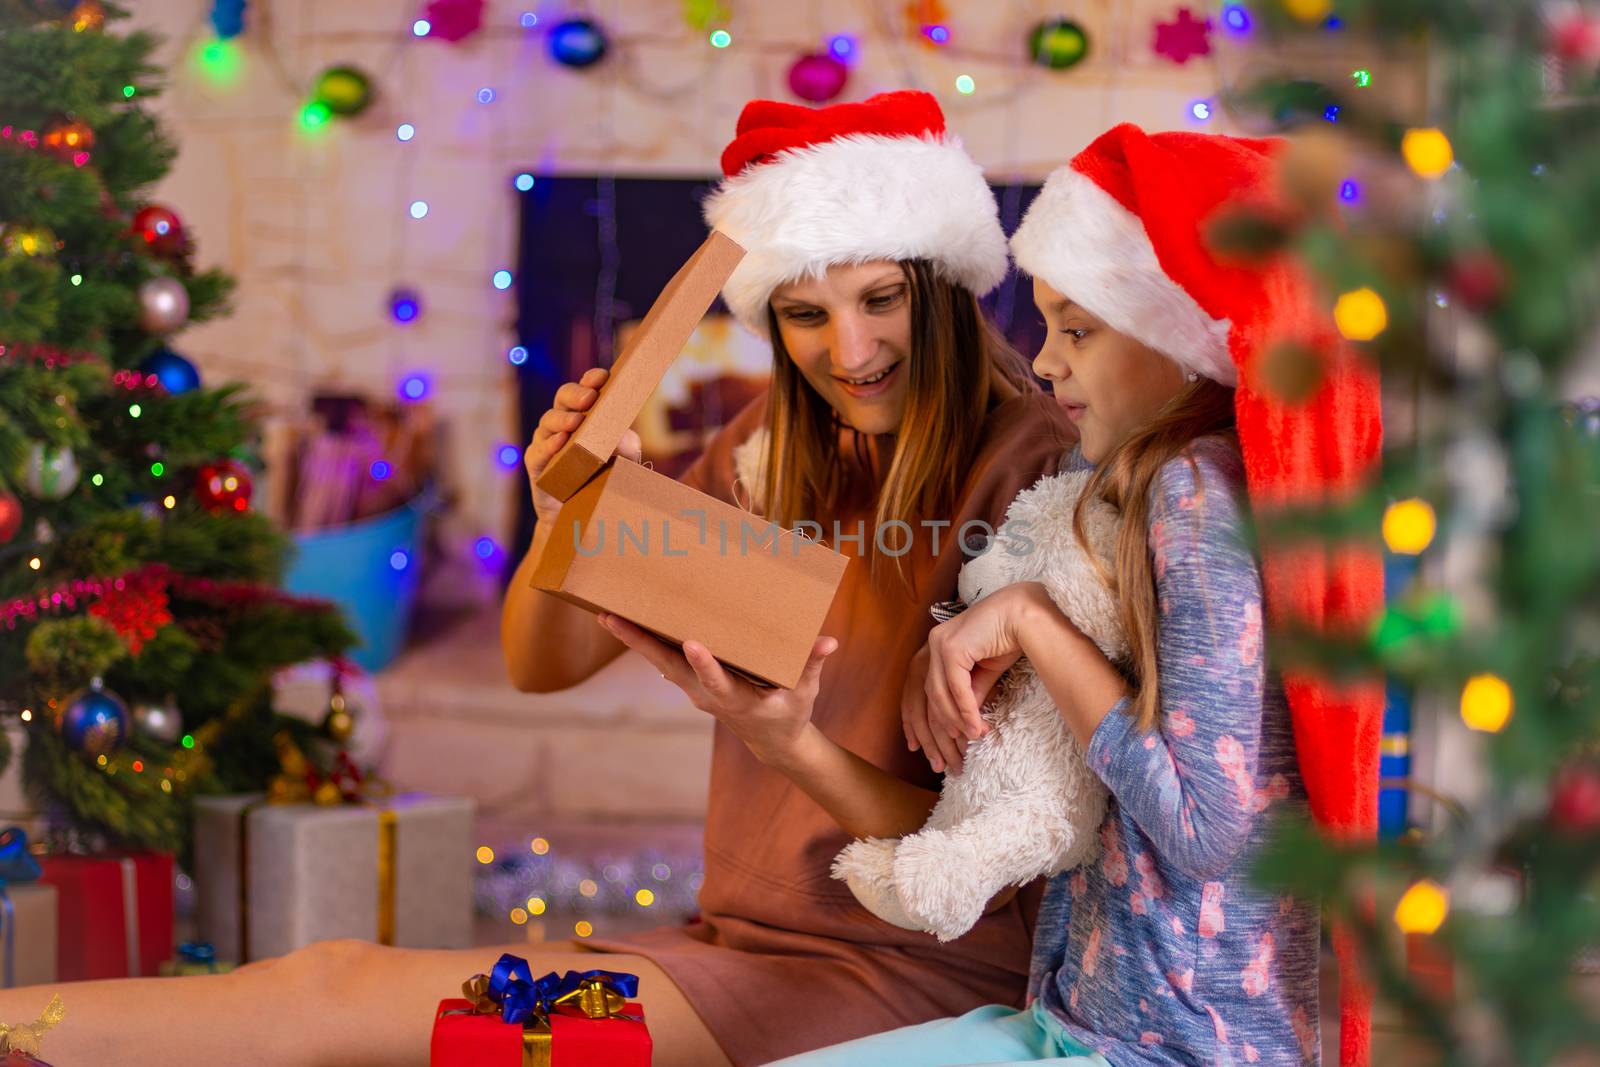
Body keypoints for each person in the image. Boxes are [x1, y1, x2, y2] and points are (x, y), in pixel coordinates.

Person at [0, 91, 1072, 1067]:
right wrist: (574, 514)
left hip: (900, 971)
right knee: (334, 983)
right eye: (804, 313)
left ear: (940, 286)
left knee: (343, 998)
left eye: (881, 298)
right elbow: (541, 662)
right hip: (743, 940)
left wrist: (783, 739)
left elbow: (993, 848)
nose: (850, 347)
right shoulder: (771, 449)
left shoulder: (1033, 470)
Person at [765, 125, 1385, 1067]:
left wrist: (1028, 618)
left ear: (1175, 331)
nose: (1047, 362)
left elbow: (1204, 826)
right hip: (1083, 1021)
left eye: (1078, 328)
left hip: (1166, 1047)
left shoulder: (1194, 490)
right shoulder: (1162, 483)